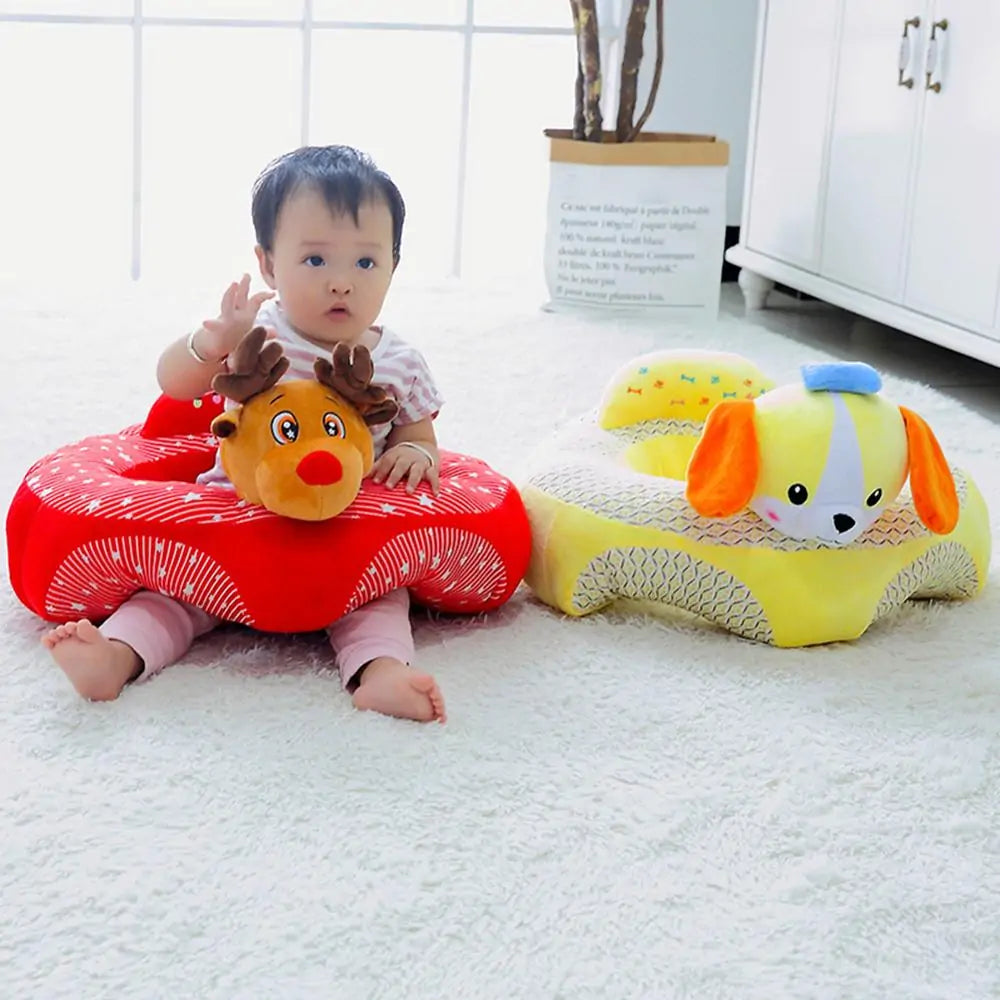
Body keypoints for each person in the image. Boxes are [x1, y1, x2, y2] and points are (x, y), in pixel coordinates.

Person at [42, 145, 447, 723]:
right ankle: (117, 656)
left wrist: (411, 450)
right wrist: (211, 343)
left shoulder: (400, 361)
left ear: (393, 266)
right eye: (314, 260)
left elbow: (420, 437)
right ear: (268, 264)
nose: (341, 283)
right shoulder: (256, 334)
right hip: (232, 521)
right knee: (172, 594)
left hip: (341, 535)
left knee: (381, 600)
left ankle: (379, 672)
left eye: (365, 263)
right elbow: (174, 383)